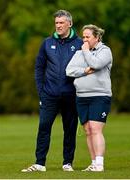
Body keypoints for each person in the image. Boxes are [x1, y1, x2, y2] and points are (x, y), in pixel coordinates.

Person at [21, 10, 83, 172]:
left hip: (71, 94)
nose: (58, 26)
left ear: (70, 23)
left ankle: (67, 163)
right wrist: (41, 91)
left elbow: (87, 68)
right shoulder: (47, 43)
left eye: (61, 22)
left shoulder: (80, 44)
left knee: (69, 130)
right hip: (49, 94)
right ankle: (40, 163)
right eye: (56, 23)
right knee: (44, 127)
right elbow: (39, 68)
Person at [66, 24, 113, 172]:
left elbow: (96, 63)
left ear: (97, 37)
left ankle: (99, 164)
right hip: (81, 96)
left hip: (100, 95)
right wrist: (85, 71)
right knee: (87, 130)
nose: (84, 40)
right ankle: (93, 163)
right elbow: (69, 70)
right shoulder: (79, 53)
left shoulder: (105, 51)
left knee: (95, 128)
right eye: (83, 37)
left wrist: (86, 53)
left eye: (88, 37)